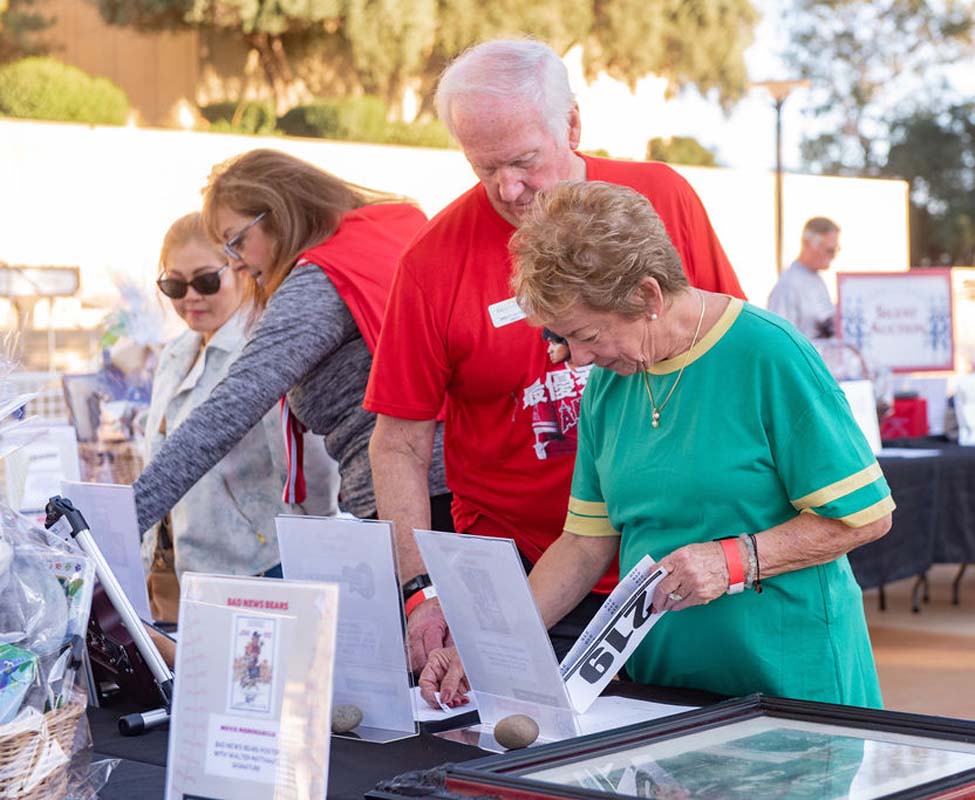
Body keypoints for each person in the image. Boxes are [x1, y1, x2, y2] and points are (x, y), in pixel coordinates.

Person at [421, 182, 894, 707]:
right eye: (563, 338)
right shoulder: (609, 381)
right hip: (663, 689)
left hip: (793, 686)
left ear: (647, 295)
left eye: (588, 335)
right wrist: (490, 641)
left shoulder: (769, 354)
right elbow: (583, 543)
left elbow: (865, 516)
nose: (575, 358)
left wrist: (735, 560)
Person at [365, 39, 746, 673]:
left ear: (571, 123)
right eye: (483, 169)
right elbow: (398, 443)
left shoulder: (660, 198)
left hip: (671, 560)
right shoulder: (433, 261)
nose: (508, 189)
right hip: (524, 574)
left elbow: (729, 352)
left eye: (523, 160)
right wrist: (419, 592)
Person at [134, 149, 453, 547]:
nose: (234, 263)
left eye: (236, 242)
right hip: (442, 486)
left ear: (280, 215)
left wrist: (124, 519)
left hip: (416, 501)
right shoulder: (375, 239)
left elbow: (231, 407)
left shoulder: (319, 281)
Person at [143, 212, 337, 593]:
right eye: (174, 285)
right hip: (194, 566)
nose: (192, 297)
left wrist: (316, 543)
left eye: (206, 280)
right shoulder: (176, 352)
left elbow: (311, 465)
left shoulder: (262, 351)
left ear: (241, 271)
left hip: (262, 566)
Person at [768, 216, 841, 339]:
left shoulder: (818, 280)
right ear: (807, 243)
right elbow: (780, 337)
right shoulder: (788, 285)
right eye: (829, 249)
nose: (833, 255)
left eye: (836, 249)